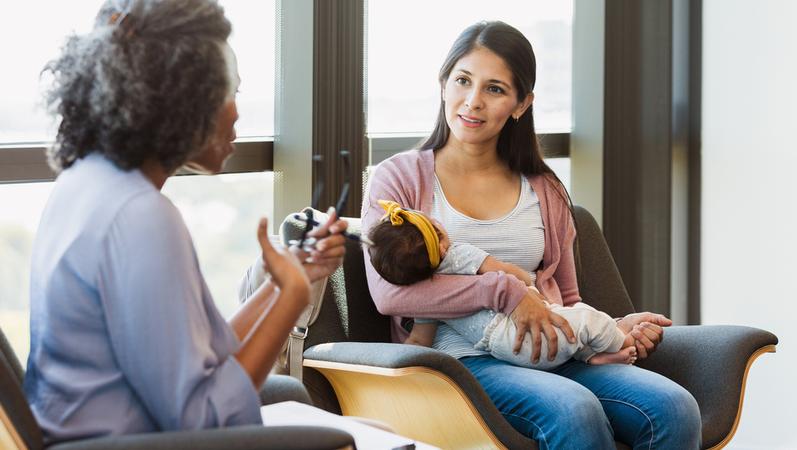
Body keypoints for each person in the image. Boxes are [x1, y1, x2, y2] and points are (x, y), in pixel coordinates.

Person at [361, 20, 702, 448]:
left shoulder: (544, 187)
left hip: (548, 350)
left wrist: (612, 328)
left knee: (674, 407)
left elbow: (568, 299)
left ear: (522, 104)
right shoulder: (398, 179)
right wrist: (503, 292)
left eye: (495, 89)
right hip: (458, 360)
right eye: (463, 81)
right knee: (572, 410)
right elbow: (391, 295)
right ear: (443, 84)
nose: (472, 102)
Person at [23, 0, 347, 444]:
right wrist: (292, 298)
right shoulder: (140, 217)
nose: (235, 112)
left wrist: (284, 282)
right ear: (182, 100)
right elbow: (203, 421)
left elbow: (202, 359)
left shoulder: (84, 183)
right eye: (226, 90)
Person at [368, 199, 638, 368]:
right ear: (440, 243)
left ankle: (594, 357)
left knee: (569, 333)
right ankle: (622, 339)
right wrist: (527, 284)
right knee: (588, 320)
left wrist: (389, 365)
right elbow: (509, 273)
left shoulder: (426, 301)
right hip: (520, 330)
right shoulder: (459, 256)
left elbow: (419, 341)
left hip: (500, 349)